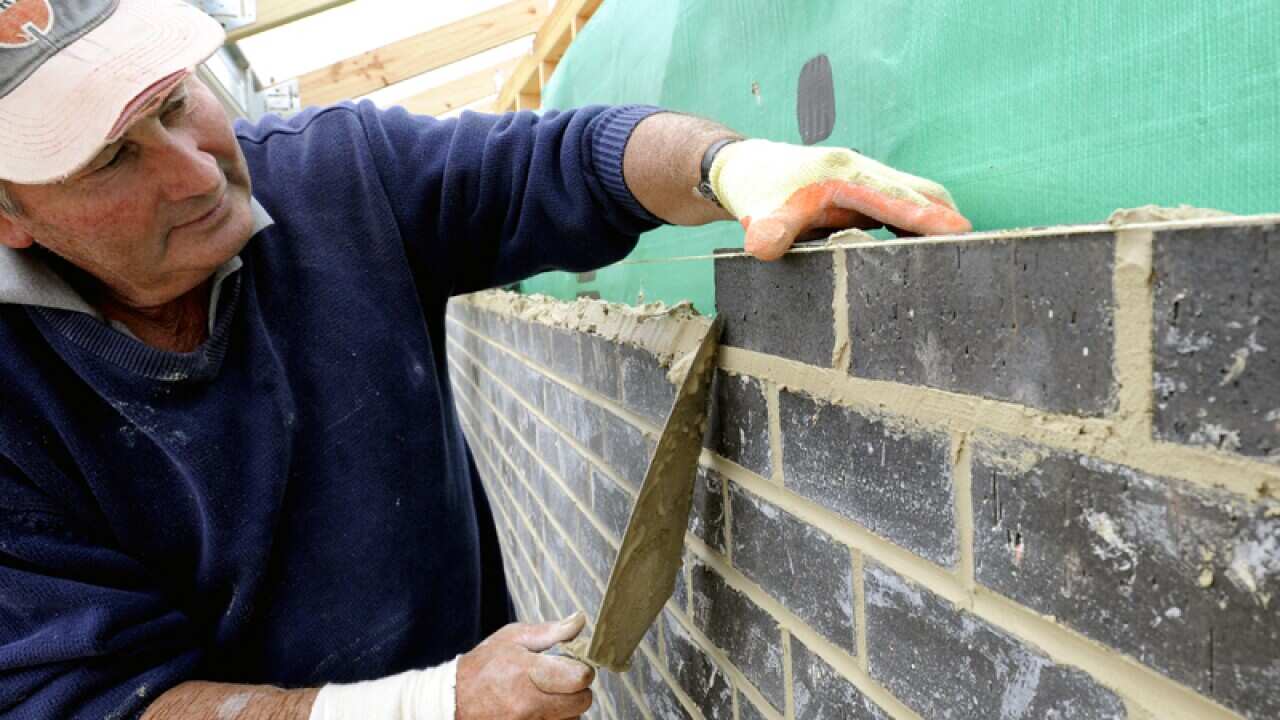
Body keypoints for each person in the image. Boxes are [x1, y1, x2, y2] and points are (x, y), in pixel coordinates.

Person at [0, 1, 971, 718]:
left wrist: (728, 168)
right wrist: (431, 706)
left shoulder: (334, 176)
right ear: (12, 215)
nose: (195, 167)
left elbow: (573, 160)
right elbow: (98, 702)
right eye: (110, 158)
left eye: (176, 105)